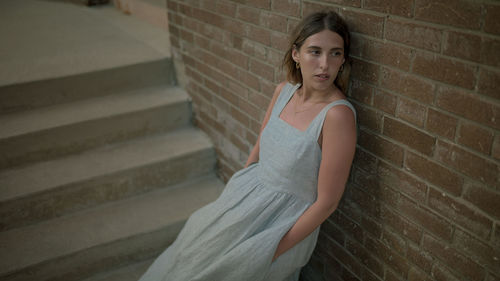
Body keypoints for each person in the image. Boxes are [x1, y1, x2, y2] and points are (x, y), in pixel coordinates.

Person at [138, 10, 356, 281]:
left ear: (343, 59)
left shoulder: (337, 116)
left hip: (280, 224)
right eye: (315, 51)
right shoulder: (284, 91)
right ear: (296, 55)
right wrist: (236, 188)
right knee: (190, 255)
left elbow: (326, 203)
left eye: (335, 53)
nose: (325, 64)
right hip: (245, 198)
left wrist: (270, 249)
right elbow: (261, 143)